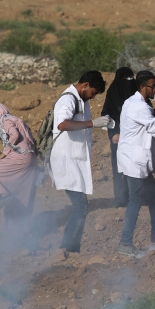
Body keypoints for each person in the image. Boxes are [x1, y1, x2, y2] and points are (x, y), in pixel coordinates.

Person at [117, 70, 155, 256]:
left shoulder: (135, 102)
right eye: (153, 86)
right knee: (135, 199)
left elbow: (152, 112)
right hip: (133, 161)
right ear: (143, 87)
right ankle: (125, 243)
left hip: (133, 158)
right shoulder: (139, 107)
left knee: (154, 191)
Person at [50, 71, 110, 254]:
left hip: (74, 160)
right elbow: (62, 124)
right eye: (93, 92)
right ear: (85, 85)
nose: (93, 96)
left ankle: (71, 247)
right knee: (81, 205)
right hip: (66, 160)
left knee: (81, 205)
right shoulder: (67, 100)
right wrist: (93, 123)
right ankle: (68, 247)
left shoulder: (81, 100)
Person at [0, 104, 38, 232]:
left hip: (19, 157)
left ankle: (4, 196)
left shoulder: (6, 121)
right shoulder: (15, 119)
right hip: (29, 158)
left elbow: (14, 135)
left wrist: (5, 152)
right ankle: (21, 232)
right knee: (23, 196)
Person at [101, 67, 137, 208]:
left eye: (131, 77)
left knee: (134, 167)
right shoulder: (113, 91)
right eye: (126, 78)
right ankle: (120, 198)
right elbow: (107, 114)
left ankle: (135, 196)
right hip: (118, 136)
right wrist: (113, 133)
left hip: (135, 137)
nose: (129, 81)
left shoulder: (136, 92)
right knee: (118, 167)